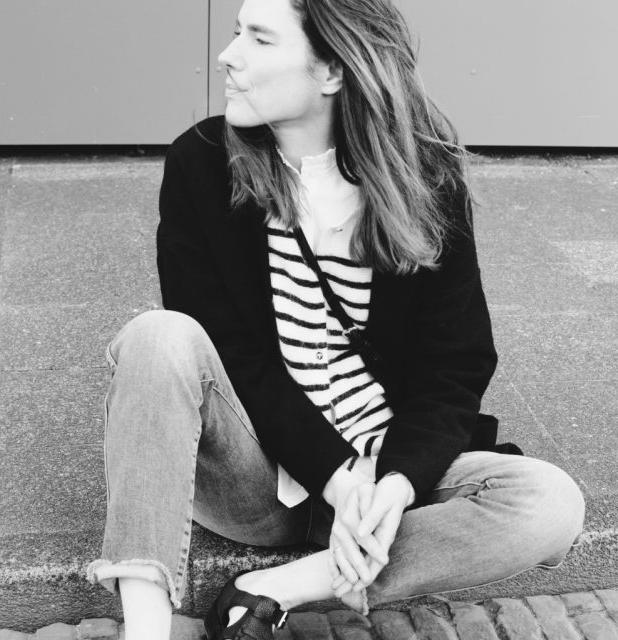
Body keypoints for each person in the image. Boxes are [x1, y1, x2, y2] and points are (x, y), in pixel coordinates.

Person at [87, 0, 585, 638]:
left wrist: (393, 485)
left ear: (331, 69)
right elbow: (234, 354)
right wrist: (336, 475)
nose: (228, 56)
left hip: (381, 475)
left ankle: (280, 587)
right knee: (157, 337)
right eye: (237, 33)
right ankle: (146, 626)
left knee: (549, 502)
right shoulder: (202, 163)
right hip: (255, 478)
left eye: (260, 39)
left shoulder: (425, 180)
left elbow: (453, 369)